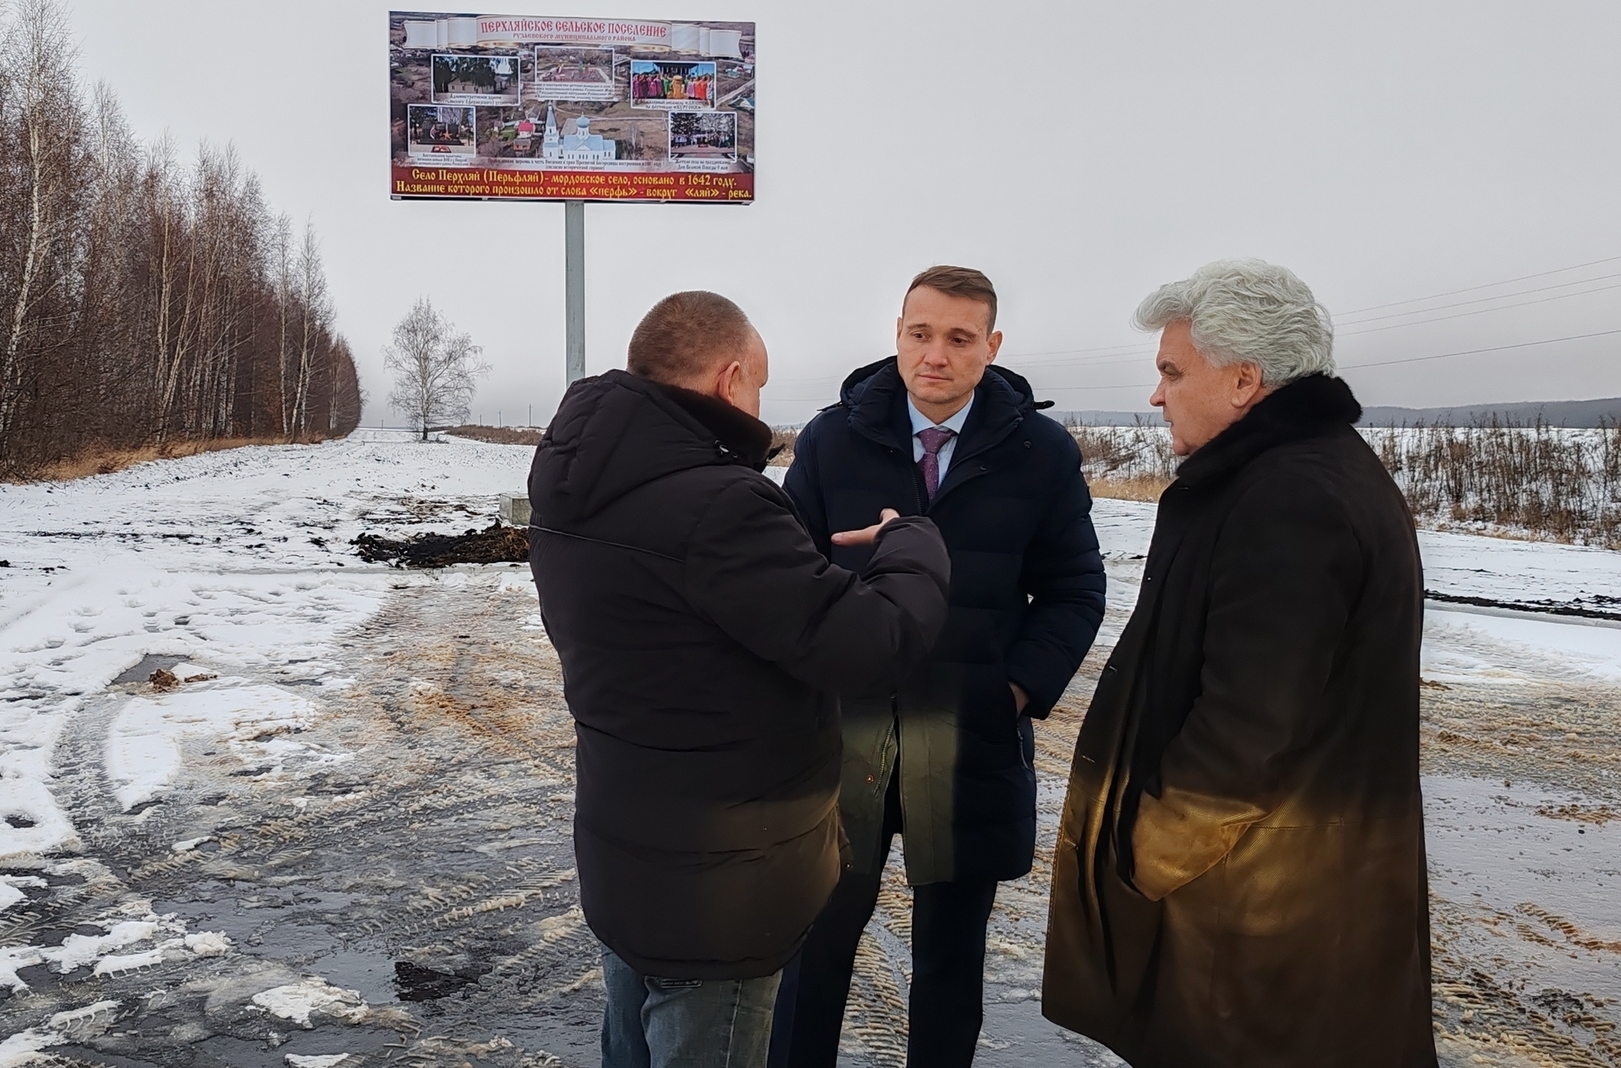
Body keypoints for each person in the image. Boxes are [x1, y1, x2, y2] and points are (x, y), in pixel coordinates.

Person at [526, 291, 954, 1068]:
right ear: (729, 379)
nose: (759, 405)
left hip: (629, 851)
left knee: (630, 1043)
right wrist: (912, 544)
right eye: (757, 385)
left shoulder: (576, 486)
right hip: (719, 888)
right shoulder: (719, 505)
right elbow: (870, 645)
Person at [1041, 258, 1437, 1067]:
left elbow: (1249, 725)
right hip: (1275, 895)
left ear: (1245, 380)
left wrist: (1147, 852)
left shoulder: (1291, 498)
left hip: (1263, 915)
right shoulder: (1302, 472)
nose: (1156, 395)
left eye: (1171, 370)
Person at [774, 266, 1106, 1067]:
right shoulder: (832, 438)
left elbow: (1074, 588)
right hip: (843, 739)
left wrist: (1017, 689)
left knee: (950, 962)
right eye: (920, 334)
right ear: (897, 333)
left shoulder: (1040, 452)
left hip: (969, 743)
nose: (935, 355)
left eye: (959, 338)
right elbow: (782, 572)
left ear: (991, 347)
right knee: (813, 944)